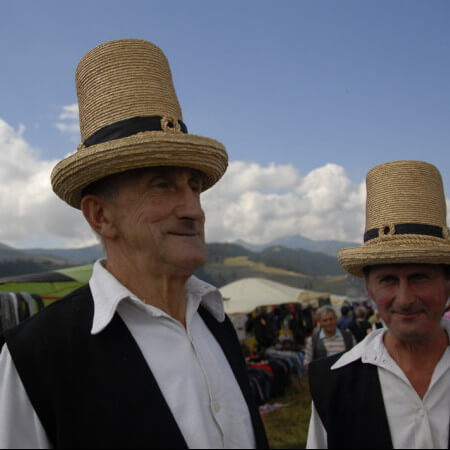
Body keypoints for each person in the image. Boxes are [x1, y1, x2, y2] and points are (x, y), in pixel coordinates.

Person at [0, 39, 268, 449]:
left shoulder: (215, 323)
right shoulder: (34, 358)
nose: (194, 209)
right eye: (162, 185)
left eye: (194, 187)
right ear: (100, 216)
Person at [307, 161, 450, 449]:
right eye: (387, 280)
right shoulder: (333, 384)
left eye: (419, 277)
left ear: (448, 284)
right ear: (369, 289)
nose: (405, 299)